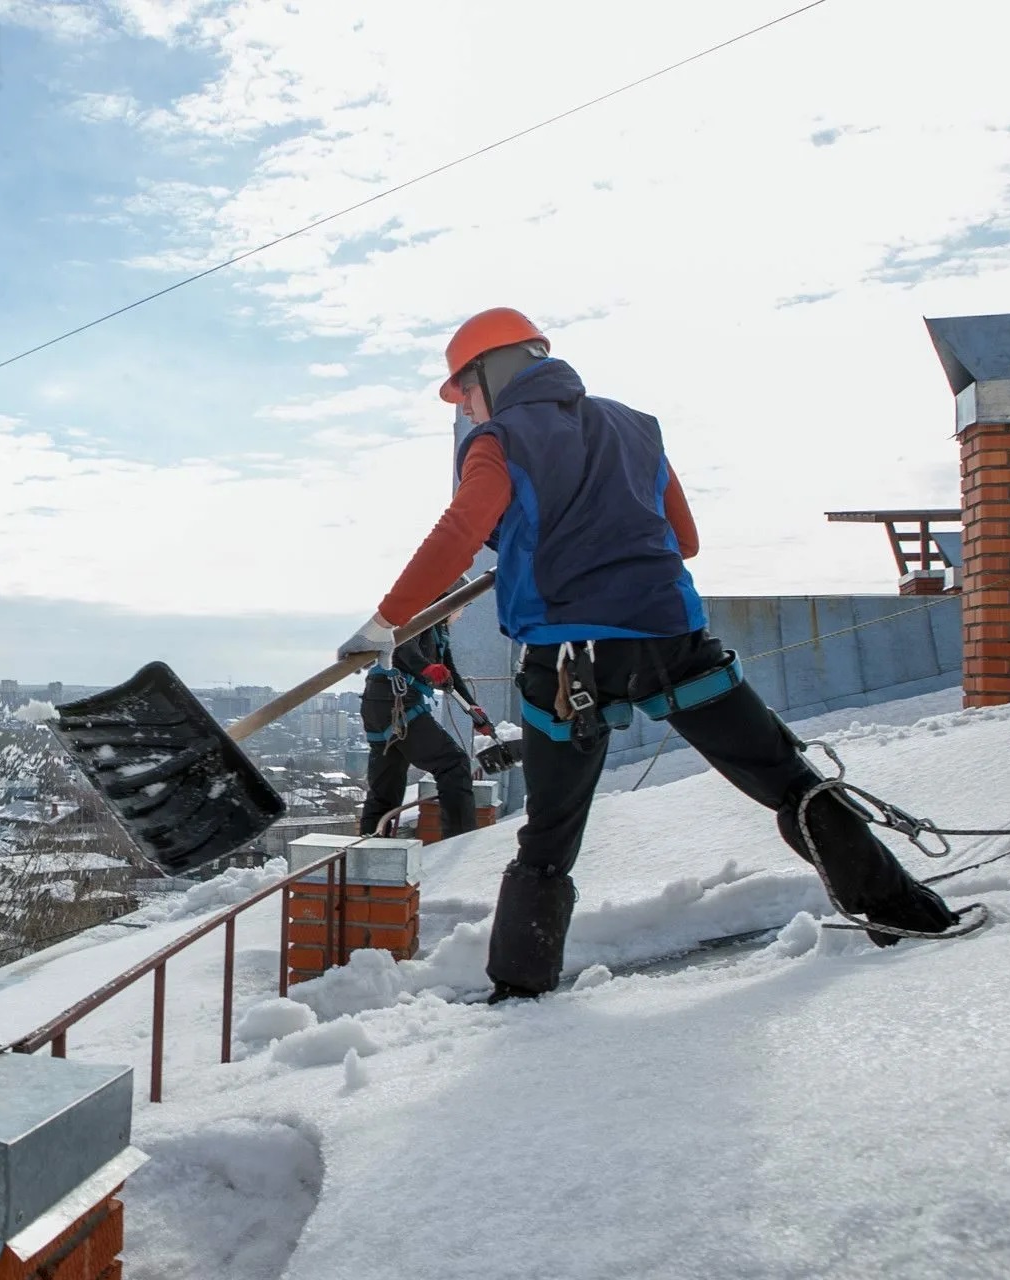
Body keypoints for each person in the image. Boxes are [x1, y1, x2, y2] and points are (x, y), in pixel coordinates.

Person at [337, 307, 959, 1003]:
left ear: (490, 373)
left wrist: (386, 622)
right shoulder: (635, 426)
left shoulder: (499, 439)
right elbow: (684, 540)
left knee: (550, 833)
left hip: (570, 661)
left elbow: (460, 530)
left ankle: (520, 992)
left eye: (465, 392)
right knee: (788, 780)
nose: (467, 408)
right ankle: (909, 917)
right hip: (672, 642)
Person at [357, 615, 479, 839]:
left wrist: (473, 709)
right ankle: (461, 840)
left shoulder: (439, 630)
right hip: (397, 704)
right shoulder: (422, 615)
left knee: (386, 789)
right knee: (453, 763)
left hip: (380, 703)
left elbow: (450, 673)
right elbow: (402, 642)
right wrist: (426, 668)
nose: (461, 614)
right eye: (461, 608)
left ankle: (371, 853)